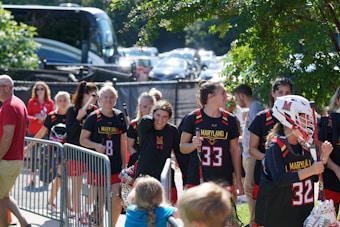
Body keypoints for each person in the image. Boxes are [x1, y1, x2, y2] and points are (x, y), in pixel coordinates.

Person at [258, 95, 333, 227]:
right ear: (288, 116)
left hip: (301, 215)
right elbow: (280, 179)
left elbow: (314, 178)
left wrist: (324, 158)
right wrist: (311, 169)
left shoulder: (304, 146)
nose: (308, 120)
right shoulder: (276, 146)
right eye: (304, 115)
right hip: (279, 216)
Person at [179, 80, 244, 196]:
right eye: (223, 93)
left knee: (225, 214)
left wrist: (238, 179)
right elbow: (182, 147)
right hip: (198, 178)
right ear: (210, 96)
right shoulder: (192, 118)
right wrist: (193, 145)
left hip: (223, 178)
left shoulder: (230, 120)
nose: (226, 96)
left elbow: (235, 150)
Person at [80, 82, 127, 226]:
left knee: (116, 199)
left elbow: (123, 142)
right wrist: (96, 146)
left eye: (111, 97)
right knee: (98, 201)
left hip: (115, 166)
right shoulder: (93, 117)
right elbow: (82, 140)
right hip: (97, 167)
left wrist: (124, 164)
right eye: (105, 97)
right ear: (100, 99)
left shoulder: (119, 117)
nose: (108, 100)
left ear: (116, 99)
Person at [248, 76, 293, 226]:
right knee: (262, 218)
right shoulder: (262, 117)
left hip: (289, 174)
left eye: (287, 92)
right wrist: (267, 159)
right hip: (266, 175)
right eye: (280, 92)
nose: (284, 96)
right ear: (273, 94)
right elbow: (252, 149)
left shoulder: (296, 117)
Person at [25, 91, 71, 214]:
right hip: (54, 153)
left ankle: (51, 202)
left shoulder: (72, 115)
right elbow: (42, 132)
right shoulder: (51, 116)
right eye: (60, 100)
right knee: (62, 177)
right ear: (56, 102)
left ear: (69, 102)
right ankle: (68, 207)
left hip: (70, 152)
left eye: (65, 100)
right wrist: (29, 146)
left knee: (61, 179)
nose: (62, 103)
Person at [135, 100, 186, 204]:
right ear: (152, 114)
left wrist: (186, 177)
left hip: (164, 175)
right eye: (157, 115)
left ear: (169, 118)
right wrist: (151, 116)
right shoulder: (146, 126)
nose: (160, 119)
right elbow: (144, 120)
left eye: (164, 117)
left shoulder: (172, 131)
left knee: (169, 206)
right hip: (146, 174)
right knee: (144, 208)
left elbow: (180, 155)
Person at [0, 75, 31, 227]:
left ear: (7, 87)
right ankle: (25, 223)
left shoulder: (9, 106)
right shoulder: (19, 103)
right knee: (4, 196)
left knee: (0, 199)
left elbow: (7, 137)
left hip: (6, 161)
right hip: (15, 160)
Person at [65, 81, 98, 221]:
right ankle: (77, 214)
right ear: (85, 95)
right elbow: (70, 133)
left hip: (90, 153)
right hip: (75, 152)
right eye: (93, 95)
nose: (96, 97)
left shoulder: (95, 110)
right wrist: (79, 117)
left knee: (94, 184)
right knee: (77, 185)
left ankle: (85, 210)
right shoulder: (72, 110)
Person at [233, 84, 264, 226]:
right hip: (247, 153)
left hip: (252, 154)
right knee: (248, 187)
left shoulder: (256, 107)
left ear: (241, 96)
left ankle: (254, 221)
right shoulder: (252, 108)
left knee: (249, 187)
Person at [26, 81, 54, 187]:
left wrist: (45, 118)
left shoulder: (50, 102)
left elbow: (52, 117)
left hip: (45, 132)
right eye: (37, 89)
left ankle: (46, 178)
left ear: (45, 90)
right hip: (33, 131)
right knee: (33, 156)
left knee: (46, 156)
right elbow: (27, 115)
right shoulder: (32, 101)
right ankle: (32, 177)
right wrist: (35, 117)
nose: (40, 91)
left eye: (42, 89)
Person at [319, 86, 340, 216]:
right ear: (337, 100)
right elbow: (322, 151)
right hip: (331, 178)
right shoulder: (328, 122)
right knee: (329, 219)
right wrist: (336, 169)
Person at [126, 92, 156, 167]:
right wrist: (138, 158)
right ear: (140, 107)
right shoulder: (133, 125)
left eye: (151, 107)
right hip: (137, 162)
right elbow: (130, 147)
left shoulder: (158, 125)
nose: (148, 110)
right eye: (145, 107)